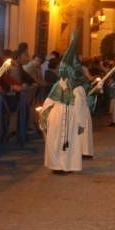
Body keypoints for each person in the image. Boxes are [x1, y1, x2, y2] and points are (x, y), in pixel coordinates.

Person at [39, 32, 86, 174]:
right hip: (61, 115)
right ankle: (59, 165)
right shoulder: (63, 86)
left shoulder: (74, 87)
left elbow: (79, 104)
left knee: (65, 141)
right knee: (59, 141)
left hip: (67, 116)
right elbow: (50, 101)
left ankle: (64, 165)